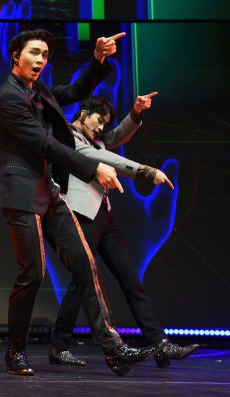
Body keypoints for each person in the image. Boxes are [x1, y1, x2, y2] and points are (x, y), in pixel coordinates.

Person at [0, 28, 164, 376]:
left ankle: (113, 348)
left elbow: (75, 92)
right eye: (34, 53)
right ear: (16, 55)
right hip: (21, 192)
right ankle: (15, 351)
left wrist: (99, 59)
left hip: (47, 190)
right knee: (33, 272)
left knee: (85, 264)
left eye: (45, 55)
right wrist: (94, 166)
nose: (40, 59)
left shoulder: (37, 91)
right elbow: (46, 145)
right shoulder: (8, 98)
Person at [48, 94, 199, 368]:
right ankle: (60, 345)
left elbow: (117, 135)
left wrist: (136, 112)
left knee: (130, 279)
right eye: (98, 120)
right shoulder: (69, 139)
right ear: (83, 113)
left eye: (105, 125)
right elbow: (102, 156)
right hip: (82, 215)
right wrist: (146, 171)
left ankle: (159, 344)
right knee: (82, 281)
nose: (101, 129)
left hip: (105, 216)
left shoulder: (98, 138)